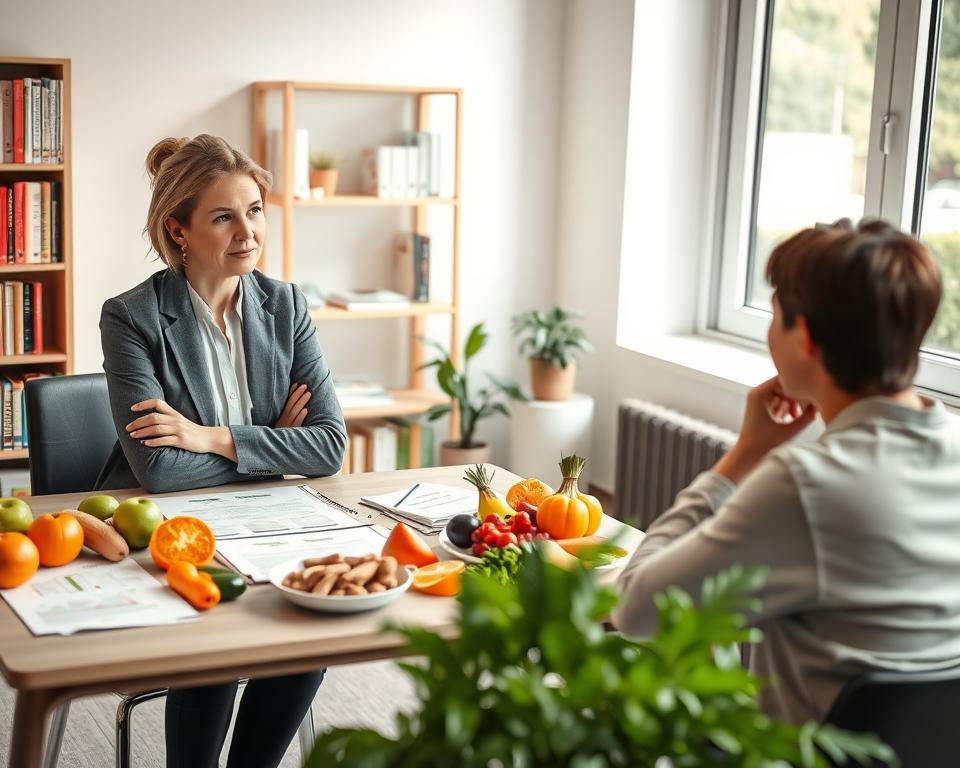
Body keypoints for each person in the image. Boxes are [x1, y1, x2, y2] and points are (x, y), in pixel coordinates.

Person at [612, 219, 960, 725]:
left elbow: (636, 608)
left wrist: (743, 456)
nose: (769, 333)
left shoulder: (809, 483)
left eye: (775, 316)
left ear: (808, 340)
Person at [99, 134, 348, 767]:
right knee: (213, 642)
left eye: (255, 211)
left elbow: (328, 445)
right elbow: (157, 468)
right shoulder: (132, 318)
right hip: (169, 528)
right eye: (223, 216)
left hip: (266, 521)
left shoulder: (286, 304)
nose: (249, 232)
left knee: (309, 624)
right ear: (178, 231)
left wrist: (209, 436)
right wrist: (274, 442)